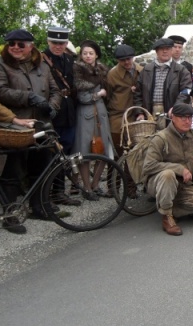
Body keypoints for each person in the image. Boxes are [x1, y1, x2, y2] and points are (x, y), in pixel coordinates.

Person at [0, 29, 62, 223]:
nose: (15, 47)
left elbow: (55, 90)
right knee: (12, 171)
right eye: (11, 44)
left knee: (42, 168)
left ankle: (39, 207)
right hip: (15, 127)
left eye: (21, 44)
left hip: (41, 125)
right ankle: (10, 213)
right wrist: (28, 97)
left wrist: (52, 106)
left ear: (30, 46)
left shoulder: (42, 65)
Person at [0, 33, 37, 237]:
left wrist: (14, 120)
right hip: (5, 129)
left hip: (1, 127)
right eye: (11, 44)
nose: (15, 47)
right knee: (8, 174)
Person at [141, 102, 193, 236]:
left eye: (190, 117)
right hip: (160, 182)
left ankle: (170, 208)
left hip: (184, 183)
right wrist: (178, 168)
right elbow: (148, 166)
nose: (187, 121)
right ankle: (167, 216)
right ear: (173, 118)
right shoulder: (160, 138)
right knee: (168, 174)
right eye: (183, 117)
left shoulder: (192, 134)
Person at [72, 40, 115, 201]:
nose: (88, 56)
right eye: (85, 53)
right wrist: (98, 95)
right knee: (85, 152)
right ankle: (87, 187)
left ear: (96, 54)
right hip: (86, 115)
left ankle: (96, 184)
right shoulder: (78, 72)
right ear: (81, 56)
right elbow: (82, 97)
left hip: (101, 115)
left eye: (91, 53)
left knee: (103, 150)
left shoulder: (103, 70)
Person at [135, 37, 192, 127]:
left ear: (171, 50)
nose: (165, 51)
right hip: (149, 112)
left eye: (168, 49)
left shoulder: (181, 70)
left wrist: (176, 108)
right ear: (156, 51)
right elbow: (138, 93)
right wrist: (140, 113)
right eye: (162, 49)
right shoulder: (146, 70)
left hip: (172, 113)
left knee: (170, 139)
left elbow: (186, 91)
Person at [41, 27, 76, 161]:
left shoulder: (69, 59)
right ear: (48, 42)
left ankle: (60, 182)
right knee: (50, 153)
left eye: (61, 43)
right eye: (54, 42)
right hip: (52, 112)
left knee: (65, 151)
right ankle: (51, 182)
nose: (58, 46)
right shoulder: (41, 59)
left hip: (68, 112)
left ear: (66, 44)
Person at [105, 44, 142, 156]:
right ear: (117, 60)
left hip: (136, 115)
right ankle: (114, 173)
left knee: (135, 154)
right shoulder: (112, 74)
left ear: (133, 57)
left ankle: (129, 174)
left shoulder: (141, 71)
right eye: (122, 60)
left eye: (128, 59)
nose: (126, 62)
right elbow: (107, 96)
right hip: (117, 117)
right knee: (118, 152)